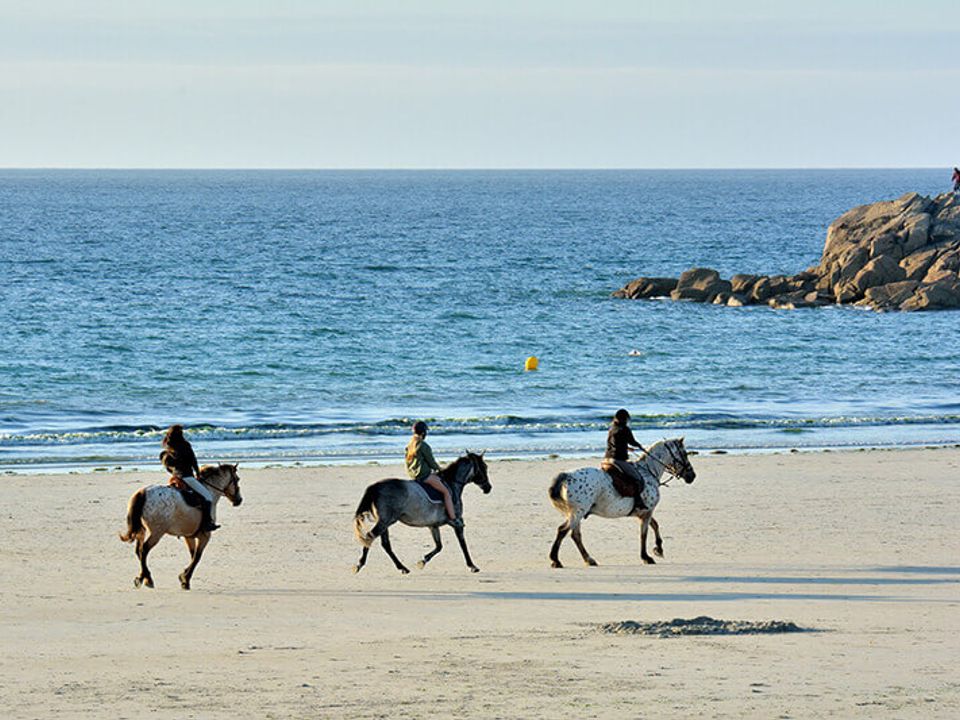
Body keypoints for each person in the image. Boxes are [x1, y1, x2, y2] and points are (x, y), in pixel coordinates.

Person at [160, 424, 218, 532]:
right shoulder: (185, 445)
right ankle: (207, 523)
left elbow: (167, 463)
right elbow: (193, 460)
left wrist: (173, 473)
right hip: (187, 476)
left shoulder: (168, 446)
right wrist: (197, 472)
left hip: (175, 477)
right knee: (208, 497)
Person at [405, 421, 460, 527]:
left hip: (413, 475)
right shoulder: (423, 445)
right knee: (446, 492)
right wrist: (440, 469)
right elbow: (431, 462)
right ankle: (454, 519)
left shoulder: (410, 445)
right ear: (423, 433)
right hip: (424, 476)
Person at [600, 408, 647, 511]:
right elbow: (632, 441)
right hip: (617, 459)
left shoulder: (612, 428)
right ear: (625, 418)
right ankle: (638, 501)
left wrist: (626, 448)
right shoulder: (624, 429)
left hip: (606, 459)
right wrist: (640, 446)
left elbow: (613, 443)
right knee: (637, 477)